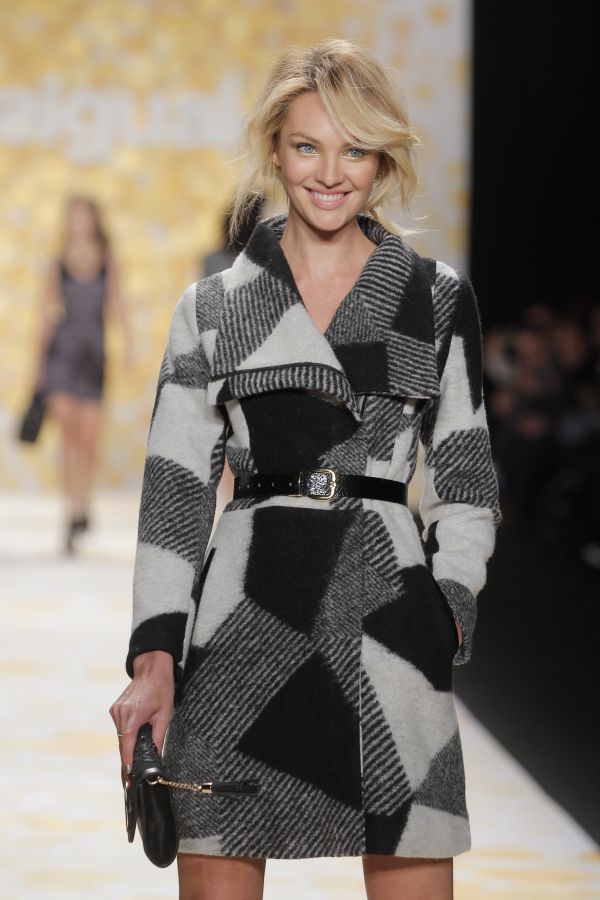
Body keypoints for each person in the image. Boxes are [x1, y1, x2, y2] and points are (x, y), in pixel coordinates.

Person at [110, 39, 501, 899]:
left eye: (355, 150)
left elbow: (467, 474)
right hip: (244, 624)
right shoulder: (215, 307)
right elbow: (175, 490)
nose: (330, 174)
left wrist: (447, 610)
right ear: (273, 149)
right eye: (307, 147)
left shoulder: (434, 298)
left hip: (390, 626)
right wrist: (154, 656)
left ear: (383, 159)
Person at [34, 195, 132, 553]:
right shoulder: (58, 263)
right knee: (68, 437)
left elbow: (117, 304)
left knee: (89, 440)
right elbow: (45, 315)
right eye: (73, 217)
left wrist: (130, 343)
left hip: (94, 359)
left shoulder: (107, 262)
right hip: (62, 357)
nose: (78, 223)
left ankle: (85, 500)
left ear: (94, 221)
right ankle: (71, 511)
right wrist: (38, 367)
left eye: (83, 217)